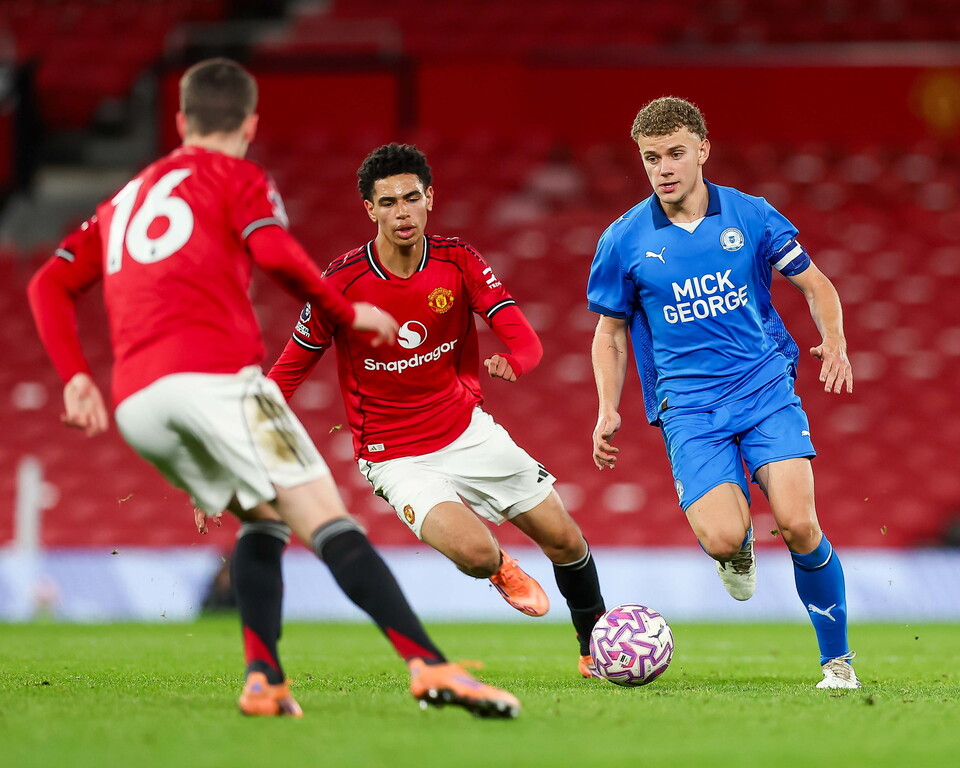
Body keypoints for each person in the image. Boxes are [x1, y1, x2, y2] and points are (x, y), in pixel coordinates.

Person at [27, 58, 519, 719]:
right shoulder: (238, 177)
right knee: (326, 518)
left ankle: (264, 680)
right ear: (251, 124)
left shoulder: (128, 197)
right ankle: (430, 667)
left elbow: (47, 283)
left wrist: (75, 376)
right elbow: (276, 253)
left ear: (180, 121)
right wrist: (346, 313)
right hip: (217, 381)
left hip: (137, 401)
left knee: (262, 516)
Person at [268, 143, 607, 678]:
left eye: (410, 198)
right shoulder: (341, 282)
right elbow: (285, 373)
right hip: (394, 455)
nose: (401, 213)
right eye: (388, 203)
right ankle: (499, 568)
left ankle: (596, 648)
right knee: (475, 555)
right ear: (369, 210)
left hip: (467, 431)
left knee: (565, 538)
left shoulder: (458, 261)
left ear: (430, 198)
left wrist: (514, 362)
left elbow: (526, 340)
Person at [588, 96, 860, 689]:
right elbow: (608, 334)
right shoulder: (623, 240)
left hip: (764, 389)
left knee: (799, 524)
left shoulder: (752, 215)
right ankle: (736, 551)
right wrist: (608, 407)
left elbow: (816, 285)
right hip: (688, 409)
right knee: (721, 537)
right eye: (651, 157)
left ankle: (837, 664)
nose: (663, 167)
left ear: (703, 151)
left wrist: (834, 342)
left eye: (675, 153)